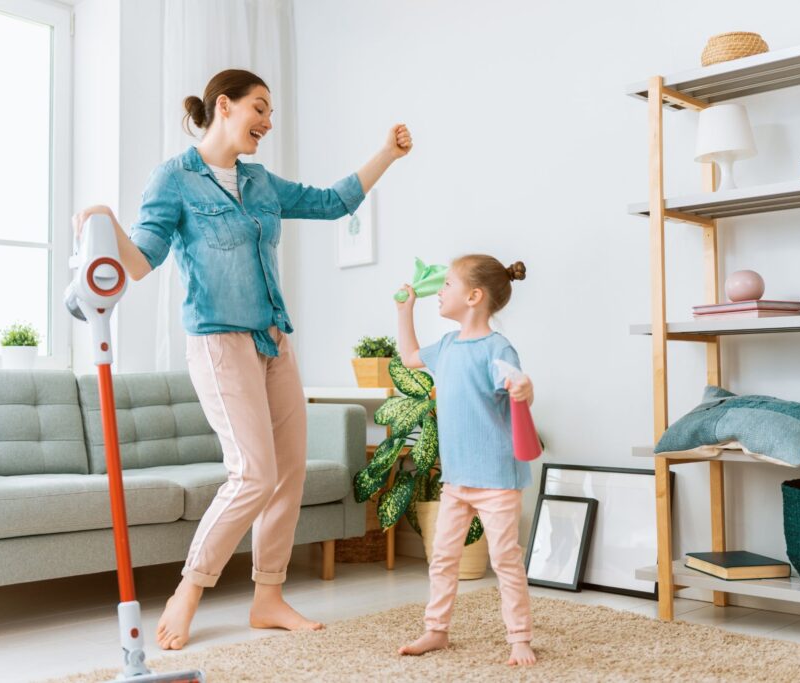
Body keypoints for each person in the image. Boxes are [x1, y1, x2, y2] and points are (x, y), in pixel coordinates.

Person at [72, 69, 412, 651]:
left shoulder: (259, 182)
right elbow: (140, 261)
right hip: (218, 343)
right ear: (223, 106)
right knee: (253, 472)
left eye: (271, 111)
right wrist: (101, 222)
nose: (268, 122)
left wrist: (387, 153)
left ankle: (268, 597)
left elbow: (332, 203)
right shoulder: (174, 179)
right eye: (260, 108)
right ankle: (189, 591)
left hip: (275, 340)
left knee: (288, 472)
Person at [395, 255, 537, 666]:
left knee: (505, 560)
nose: (439, 291)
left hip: (496, 480)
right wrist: (405, 311)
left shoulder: (496, 348)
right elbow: (408, 358)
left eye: (448, 285)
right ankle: (435, 630)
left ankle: (519, 637)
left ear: (474, 296)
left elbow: (514, 379)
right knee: (443, 558)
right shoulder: (446, 347)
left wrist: (522, 387)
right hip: (456, 480)